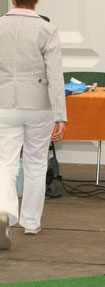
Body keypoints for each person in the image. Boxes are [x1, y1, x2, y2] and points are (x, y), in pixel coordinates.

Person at [0, 0, 67, 250]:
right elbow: (55, 75)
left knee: (5, 161)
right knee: (36, 163)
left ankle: (4, 211)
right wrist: (61, 114)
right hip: (39, 104)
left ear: (12, 0)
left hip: (4, 102)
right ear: (36, 1)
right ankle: (30, 222)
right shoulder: (47, 30)